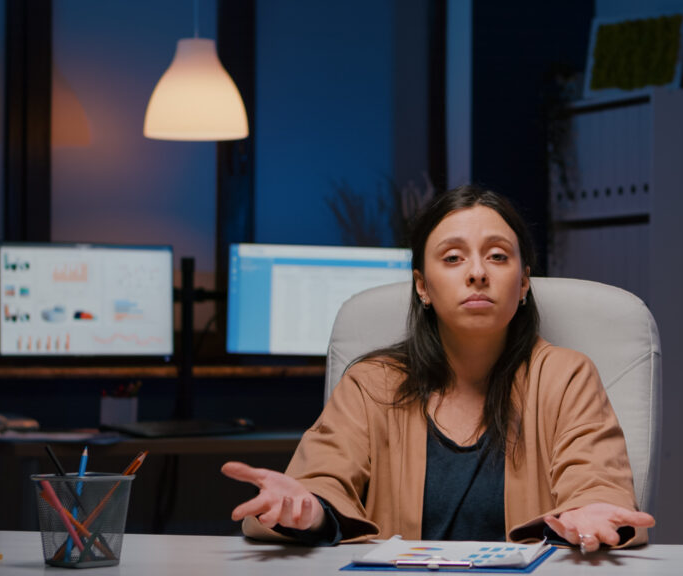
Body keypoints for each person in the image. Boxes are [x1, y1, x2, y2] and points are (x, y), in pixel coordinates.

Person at [222, 184, 655, 551]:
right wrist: (306, 508)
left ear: (524, 282)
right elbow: (321, 481)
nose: (478, 273)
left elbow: (595, 479)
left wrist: (592, 510)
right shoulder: (371, 382)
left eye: (499, 256)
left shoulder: (567, 376)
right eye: (452, 258)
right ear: (422, 286)